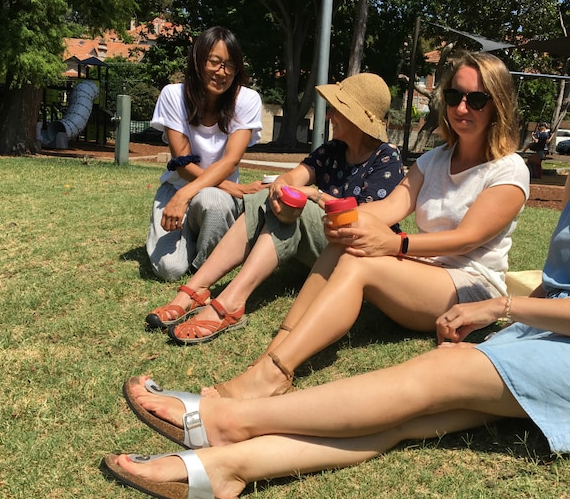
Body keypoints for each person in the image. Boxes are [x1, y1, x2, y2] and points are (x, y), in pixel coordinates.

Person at [103, 27, 570, 499]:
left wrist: (501, 305)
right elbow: (397, 211)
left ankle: (229, 418)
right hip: (561, 326)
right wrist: (341, 216)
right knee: (413, 419)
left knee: (432, 380)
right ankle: (229, 468)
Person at [192, 49, 529, 398]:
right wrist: (340, 220)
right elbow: (389, 206)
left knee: (359, 264)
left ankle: (275, 371)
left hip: (470, 287)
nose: (461, 108)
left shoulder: (508, 169)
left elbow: (466, 239)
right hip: (423, 273)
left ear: (497, 104)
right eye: (454, 96)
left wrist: (395, 245)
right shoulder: (434, 159)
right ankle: (277, 349)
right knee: (347, 241)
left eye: (476, 99)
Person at [146, 73, 405, 344]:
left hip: (353, 253)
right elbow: (296, 176)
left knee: (298, 206)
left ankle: (224, 299)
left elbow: (366, 218)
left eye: (336, 109)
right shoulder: (333, 149)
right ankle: (197, 289)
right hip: (322, 246)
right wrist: (281, 186)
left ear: (355, 119)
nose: (330, 115)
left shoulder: (387, 158)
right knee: (270, 198)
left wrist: (314, 196)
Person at [146, 27, 264, 281]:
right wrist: (231, 188)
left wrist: (191, 192)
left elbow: (231, 160)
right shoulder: (173, 95)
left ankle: (205, 265)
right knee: (170, 270)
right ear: (198, 60)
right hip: (179, 188)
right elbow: (182, 163)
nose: (222, 72)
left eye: (230, 66)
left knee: (210, 199)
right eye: (214, 62)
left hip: (216, 198)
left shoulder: (247, 99)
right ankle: (197, 239)